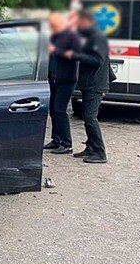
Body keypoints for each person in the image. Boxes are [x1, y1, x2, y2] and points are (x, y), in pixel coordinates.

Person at [63, 9, 111, 163]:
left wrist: (75, 55)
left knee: (90, 117)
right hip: (89, 82)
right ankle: (91, 147)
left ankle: (99, 152)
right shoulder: (90, 36)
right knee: (87, 116)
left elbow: (98, 60)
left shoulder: (97, 37)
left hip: (95, 84)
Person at [44, 13, 81, 154]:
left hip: (66, 78)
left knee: (60, 109)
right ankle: (56, 139)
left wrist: (57, 51)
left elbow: (76, 55)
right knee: (53, 109)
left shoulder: (72, 36)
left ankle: (67, 143)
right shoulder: (53, 36)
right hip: (53, 77)